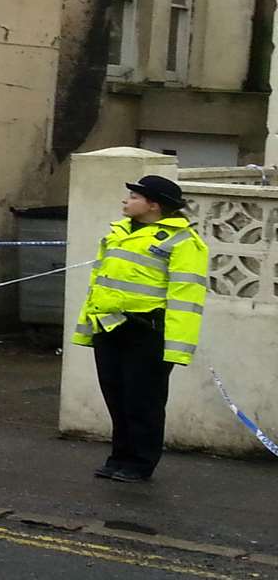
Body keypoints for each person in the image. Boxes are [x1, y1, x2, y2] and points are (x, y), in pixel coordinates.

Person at [72, 174, 207, 482]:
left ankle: (140, 463)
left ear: (154, 205)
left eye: (133, 197)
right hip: (109, 326)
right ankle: (119, 458)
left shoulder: (184, 241)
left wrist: (175, 347)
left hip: (147, 332)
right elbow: (100, 284)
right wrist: (88, 327)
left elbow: (186, 296)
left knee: (142, 401)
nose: (126, 201)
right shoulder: (119, 234)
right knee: (116, 397)